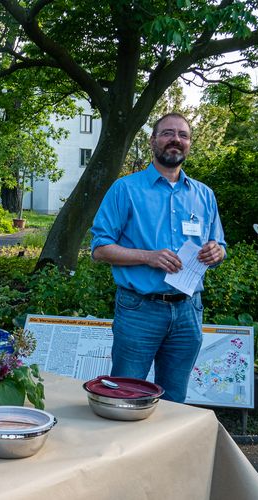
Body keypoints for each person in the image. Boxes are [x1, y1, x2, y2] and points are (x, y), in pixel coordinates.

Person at [90, 112, 226, 403]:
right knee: (126, 395)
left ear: (189, 144)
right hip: (140, 310)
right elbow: (100, 249)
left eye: (183, 135)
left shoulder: (204, 195)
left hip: (189, 310)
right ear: (153, 141)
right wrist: (147, 257)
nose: (175, 140)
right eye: (167, 133)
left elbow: (220, 244)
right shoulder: (125, 189)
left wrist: (217, 251)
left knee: (175, 399)